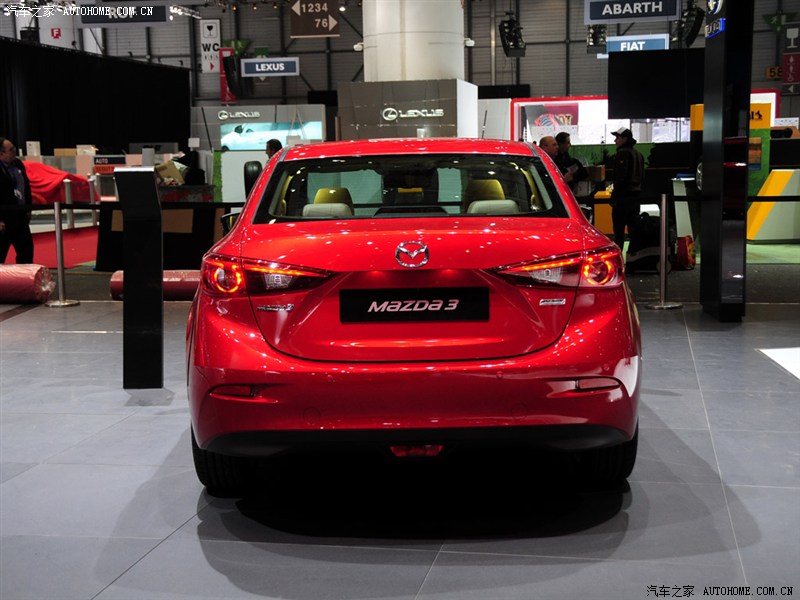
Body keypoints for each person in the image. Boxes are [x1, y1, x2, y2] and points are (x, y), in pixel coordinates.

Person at [0, 136, 34, 264]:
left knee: (26, 253)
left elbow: (26, 187)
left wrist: (28, 209)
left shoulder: (18, 164)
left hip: (20, 217)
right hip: (3, 220)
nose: (14, 151)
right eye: (11, 150)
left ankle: (24, 277)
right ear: (1, 154)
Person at [609, 127, 644, 250]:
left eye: (617, 138)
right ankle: (633, 255)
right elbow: (642, 177)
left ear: (624, 138)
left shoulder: (622, 153)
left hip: (623, 198)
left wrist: (614, 196)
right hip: (636, 196)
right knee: (633, 228)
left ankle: (619, 256)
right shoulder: (638, 154)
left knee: (619, 230)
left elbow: (620, 177)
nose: (615, 140)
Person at [554, 132, 589, 196]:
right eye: (568, 143)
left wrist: (573, 177)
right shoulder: (554, 161)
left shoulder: (569, 160)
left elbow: (583, 173)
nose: (570, 145)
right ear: (561, 144)